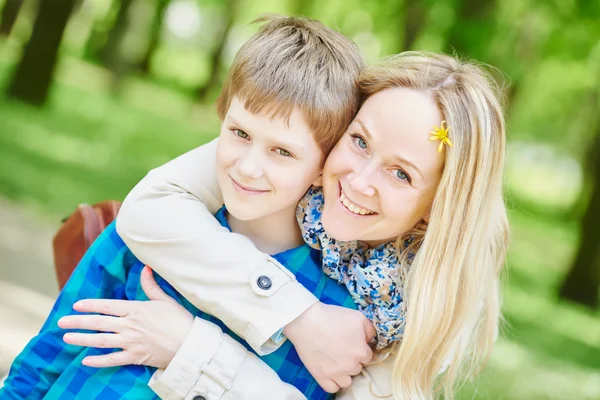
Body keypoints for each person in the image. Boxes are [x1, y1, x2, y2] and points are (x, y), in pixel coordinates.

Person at [69, 52, 509, 399]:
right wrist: (301, 316)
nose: (358, 181)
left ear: (439, 207)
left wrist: (192, 351)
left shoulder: (408, 308)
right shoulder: (280, 171)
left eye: (401, 174)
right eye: (359, 141)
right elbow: (151, 207)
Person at [0, 15, 367, 400]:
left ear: (323, 168)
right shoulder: (158, 232)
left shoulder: (335, 310)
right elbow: (45, 358)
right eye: (240, 133)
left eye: (282, 151)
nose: (247, 167)